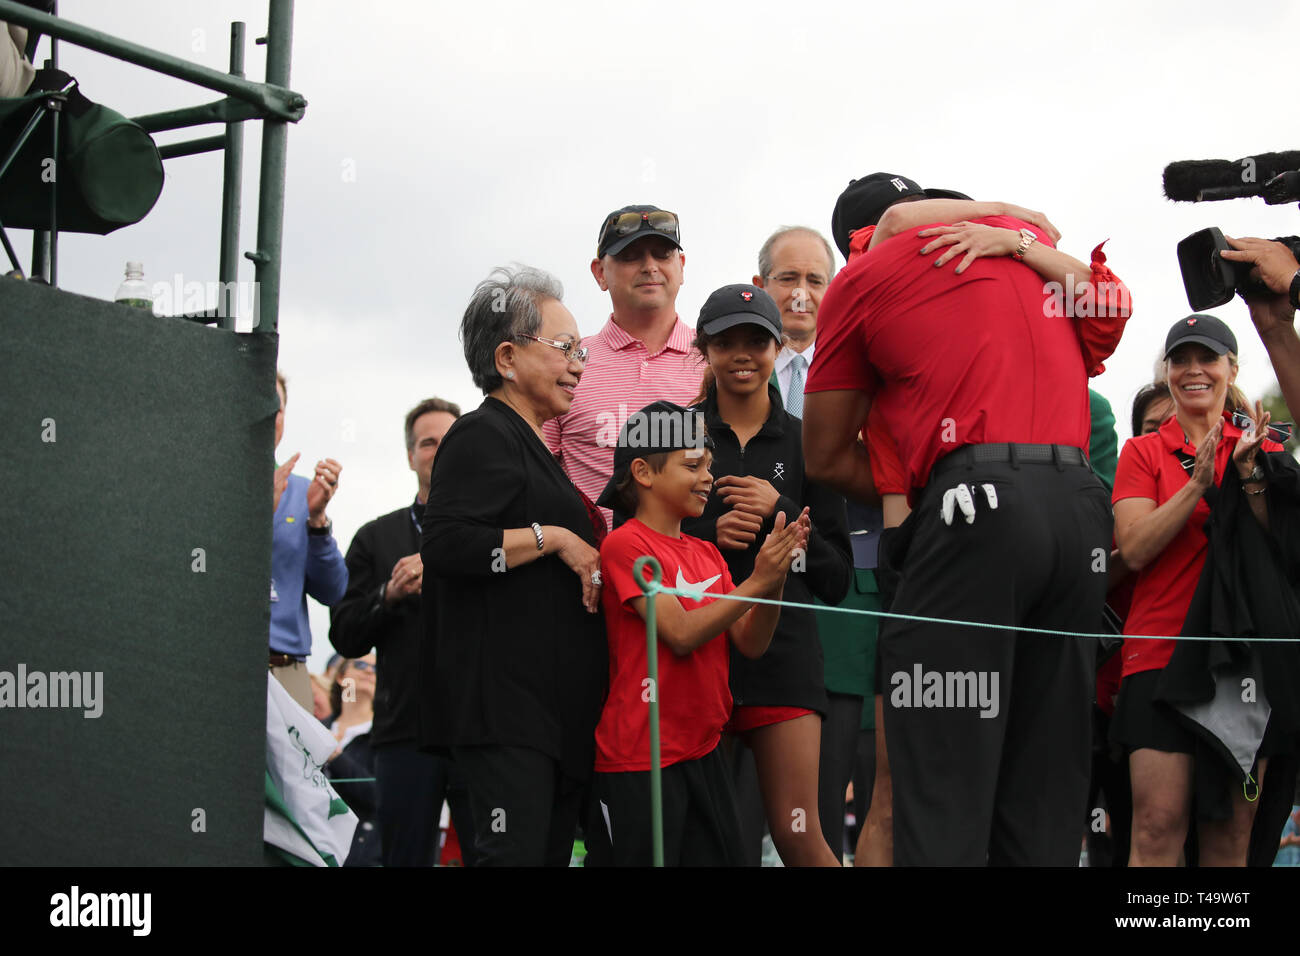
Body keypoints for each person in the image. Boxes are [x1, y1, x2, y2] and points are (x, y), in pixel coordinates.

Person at [804, 171, 1131, 866]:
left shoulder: (868, 274)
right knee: (1045, 784)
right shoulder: (1022, 256)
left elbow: (826, 456)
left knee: (941, 787)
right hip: (1080, 513)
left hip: (972, 509)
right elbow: (1110, 311)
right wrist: (1021, 228)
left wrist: (919, 485)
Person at [418, 265, 607, 867]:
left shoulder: (534, 447)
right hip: (507, 715)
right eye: (564, 348)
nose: (580, 364)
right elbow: (447, 545)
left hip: (552, 717)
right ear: (506, 356)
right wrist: (553, 537)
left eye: (581, 349)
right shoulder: (481, 434)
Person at [586, 400, 810, 866]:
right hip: (640, 760)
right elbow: (681, 633)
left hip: (704, 753)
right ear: (644, 473)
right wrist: (757, 582)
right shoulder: (624, 543)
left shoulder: (707, 553)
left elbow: (751, 641)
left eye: (709, 464)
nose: (708, 476)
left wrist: (776, 579)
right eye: (693, 465)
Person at [679, 284, 851, 866]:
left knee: (799, 835)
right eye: (727, 342)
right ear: (704, 349)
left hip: (786, 658)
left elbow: (838, 578)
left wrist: (780, 514)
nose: (743, 354)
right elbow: (638, 547)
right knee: (700, 841)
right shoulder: (670, 434)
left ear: (779, 347)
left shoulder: (809, 443)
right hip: (695, 653)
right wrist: (710, 536)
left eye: (757, 339)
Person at [1111, 313, 1282, 866]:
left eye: (1207, 358)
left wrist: (1251, 476)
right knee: (1157, 828)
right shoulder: (1141, 453)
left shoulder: (1263, 446)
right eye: (1180, 360)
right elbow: (1133, 549)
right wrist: (1198, 486)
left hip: (1239, 659)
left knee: (1232, 834)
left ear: (1232, 369)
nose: (1193, 371)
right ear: (1167, 372)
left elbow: (1281, 552)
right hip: (1157, 653)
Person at [330, 396, 477, 867]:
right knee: (404, 859)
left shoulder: (497, 533)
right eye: (427, 442)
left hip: (479, 728)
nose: (438, 450)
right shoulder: (376, 538)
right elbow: (343, 635)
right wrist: (387, 597)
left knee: (491, 855)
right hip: (403, 734)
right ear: (410, 455)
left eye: (449, 440)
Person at [544, 205, 705, 527]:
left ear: (682, 266)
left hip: (697, 569)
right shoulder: (566, 362)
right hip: (590, 569)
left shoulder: (715, 359)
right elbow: (534, 473)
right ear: (600, 272)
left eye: (662, 254)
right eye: (631, 257)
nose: (649, 267)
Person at [270, 371, 348, 712]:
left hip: (288, 672)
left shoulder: (302, 491)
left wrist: (317, 522)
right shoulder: (199, 485)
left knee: (294, 767)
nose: (269, 414)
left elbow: (333, 592)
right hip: (217, 667)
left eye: (278, 406)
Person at [324, 654, 381, 867]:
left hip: (357, 854)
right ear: (341, 677)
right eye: (360, 665)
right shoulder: (315, 727)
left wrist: (336, 757)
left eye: (376, 669)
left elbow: (379, 795)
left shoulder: (383, 738)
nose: (368, 671)